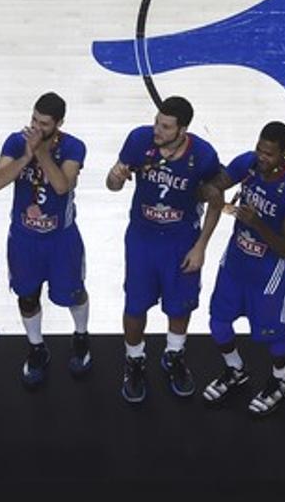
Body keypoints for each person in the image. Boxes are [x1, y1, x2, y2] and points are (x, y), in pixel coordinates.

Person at [107, 96, 223, 403]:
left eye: (166, 126)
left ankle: (174, 355)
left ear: (183, 129)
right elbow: (112, 183)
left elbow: (216, 200)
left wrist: (201, 246)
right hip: (143, 239)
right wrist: (115, 177)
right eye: (157, 121)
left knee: (180, 306)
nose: (157, 129)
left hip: (181, 241)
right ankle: (134, 360)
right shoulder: (138, 139)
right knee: (135, 305)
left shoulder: (203, 155)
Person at [200, 122, 285, 417]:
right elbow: (217, 183)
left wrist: (256, 222)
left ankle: (280, 382)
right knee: (218, 322)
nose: (262, 157)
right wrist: (209, 188)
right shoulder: (248, 164)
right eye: (260, 149)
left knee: (273, 335)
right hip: (235, 261)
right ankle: (235, 370)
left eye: (269, 154)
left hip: (268, 272)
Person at [0, 92, 91, 387]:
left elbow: (62, 186)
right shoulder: (15, 141)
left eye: (44, 123)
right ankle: (36, 348)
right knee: (27, 296)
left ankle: (81, 337)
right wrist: (26, 155)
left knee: (73, 293)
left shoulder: (73, 147)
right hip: (24, 239)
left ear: (59, 124)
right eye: (34, 119)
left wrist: (42, 153)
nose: (36, 127)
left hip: (61, 239)